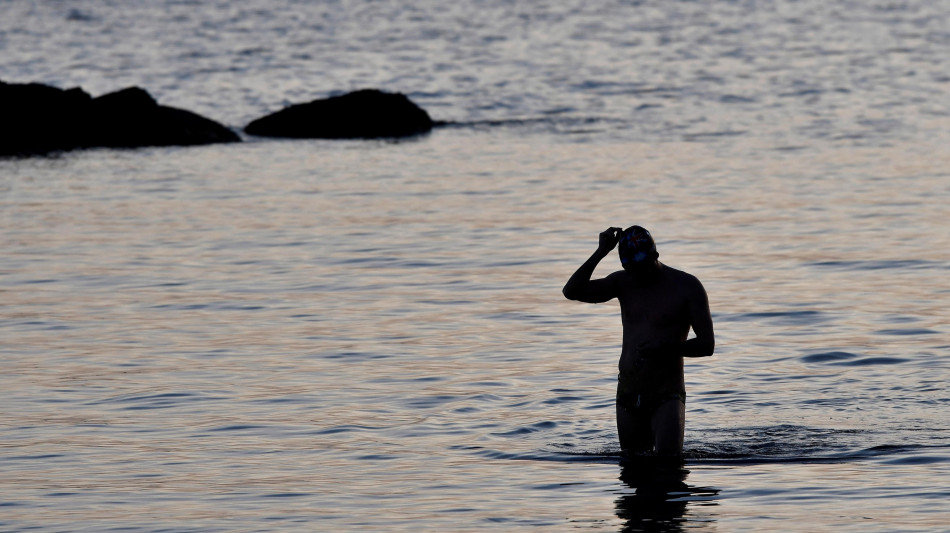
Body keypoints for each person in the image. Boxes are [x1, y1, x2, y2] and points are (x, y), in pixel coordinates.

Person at [562, 226, 714, 456]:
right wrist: (601, 251)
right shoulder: (623, 282)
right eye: (632, 270)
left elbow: (707, 345)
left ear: (655, 256)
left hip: (667, 394)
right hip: (629, 393)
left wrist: (666, 348)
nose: (638, 276)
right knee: (633, 468)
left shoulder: (687, 287)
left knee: (668, 465)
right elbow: (571, 291)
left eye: (642, 269)